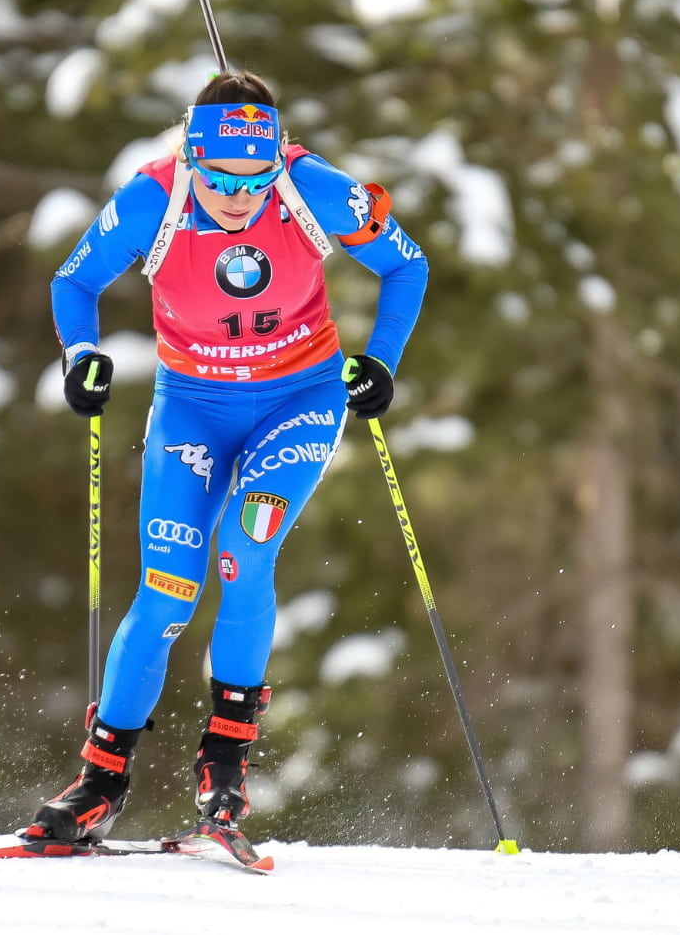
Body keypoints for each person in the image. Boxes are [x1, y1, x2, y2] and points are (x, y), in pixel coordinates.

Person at [27, 70, 428, 846]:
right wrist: (81, 355)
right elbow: (74, 281)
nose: (239, 196)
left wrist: (380, 361)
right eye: (219, 178)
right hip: (194, 409)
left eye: (255, 177)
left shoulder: (312, 187)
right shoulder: (153, 197)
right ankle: (100, 782)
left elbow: (406, 263)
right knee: (168, 590)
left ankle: (226, 764)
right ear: (191, 158)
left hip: (298, 403)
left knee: (245, 550)